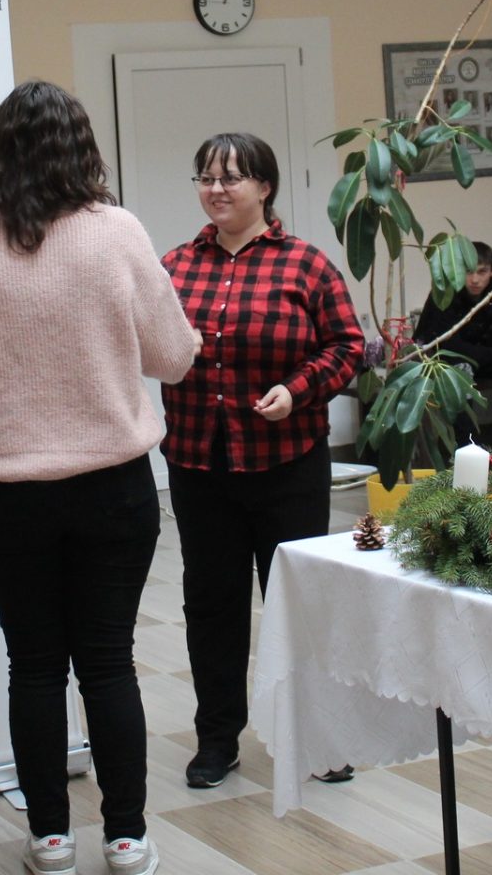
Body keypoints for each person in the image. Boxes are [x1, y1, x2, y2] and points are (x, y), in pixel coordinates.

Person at [0, 81, 198, 875]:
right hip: (115, 488)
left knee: (33, 665)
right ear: (82, 150)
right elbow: (172, 356)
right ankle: (127, 837)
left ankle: (51, 839)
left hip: (7, 496)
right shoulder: (119, 232)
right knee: (108, 661)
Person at [160, 132, 363, 791]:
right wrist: (172, 347)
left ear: (264, 187)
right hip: (199, 464)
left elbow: (348, 347)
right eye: (206, 178)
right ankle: (217, 739)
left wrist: (298, 390)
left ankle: (317, 736)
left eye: (231, 178)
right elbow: (143, 345)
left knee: (296, 604)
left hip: (286, 463)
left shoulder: (306, 265)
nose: (216, 189)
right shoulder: (173, 267)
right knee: (211, 605)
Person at [411, 241, 492, 443]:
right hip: (450, 360)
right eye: (468, 272)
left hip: (489, 356)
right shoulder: (445, 291)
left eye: (482, 272)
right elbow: (446, 344)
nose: (475, 279)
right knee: (461, 370)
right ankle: (469, 444)